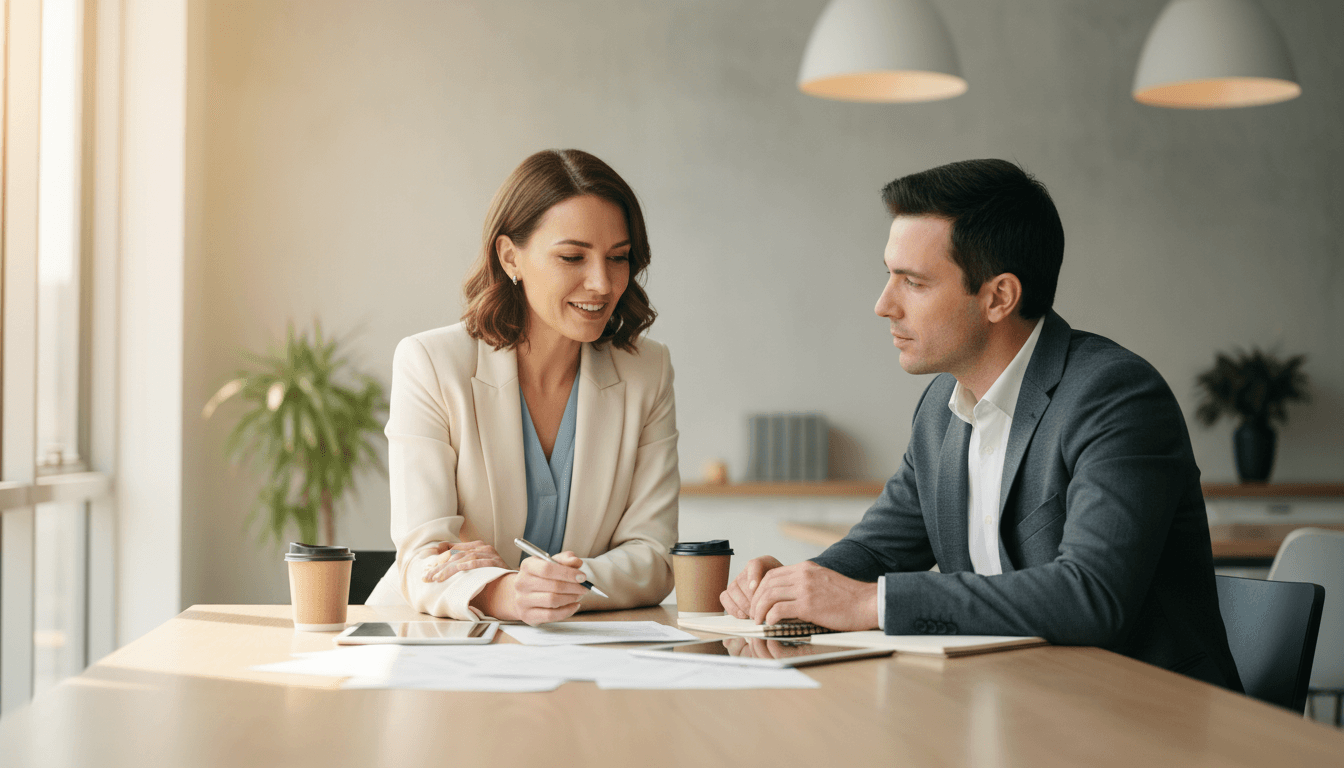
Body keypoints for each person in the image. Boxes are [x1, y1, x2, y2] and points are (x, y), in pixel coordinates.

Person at [721, 159, 1242, 690]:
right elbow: (878, 550)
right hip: (1014, 700)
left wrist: (870, 603)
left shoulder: (1115, 396)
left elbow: (1091, 595)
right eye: (889, 275)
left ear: (999, 297)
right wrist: (790, 588)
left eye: (913, 282)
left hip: (1145, 710)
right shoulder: (940, 408)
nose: (883, 305)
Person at [366, 149, 678, 625]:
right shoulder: (430, 363)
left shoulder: (647, 371)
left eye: (618, 258)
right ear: (510, 257)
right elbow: (424, 557)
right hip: (439, 636)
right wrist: (506, 593)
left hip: (580, 643)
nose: (602, 283)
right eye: (572, 257)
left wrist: (551, 586)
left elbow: (653, 556)